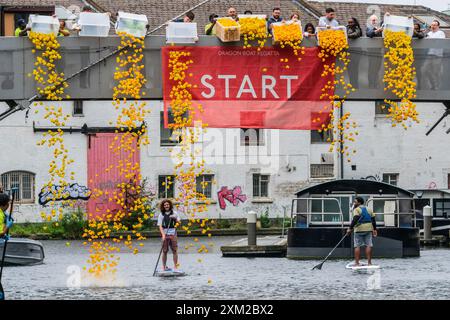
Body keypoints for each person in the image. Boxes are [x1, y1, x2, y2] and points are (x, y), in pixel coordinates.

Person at [346, 197, 377, 266]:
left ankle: (357, 263)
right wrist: (374, 229)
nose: (354, 203)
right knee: (369, 245)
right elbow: (373, 220)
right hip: (368, 229)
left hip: (358, 229)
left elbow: (355, 219)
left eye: (355, 202)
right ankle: (369, 263)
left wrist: (350, 228)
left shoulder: (356, 210)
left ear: (359, 203)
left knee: (357, 246)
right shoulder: (369, 209)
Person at [157, 199, 181, 271]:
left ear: (170, 205)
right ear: (163, 206)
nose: (166, 206)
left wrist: (175, 218)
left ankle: (175, 267)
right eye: (165, 205)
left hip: (173, 233)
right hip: (165, 233)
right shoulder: (161, 214)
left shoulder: (175, 213)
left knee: (174, 250)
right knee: (164, 251)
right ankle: (164, 267)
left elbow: (179, 223)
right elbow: (160, 226)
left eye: (167, 205)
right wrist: (163, 235)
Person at [423, 20, 446, 90]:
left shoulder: (441, 33)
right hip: (429, 55)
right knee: (425, 70)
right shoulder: (429, 33)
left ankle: (437, 87)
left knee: (436, 72)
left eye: (435, 25)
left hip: (437, 55)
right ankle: (434, 85)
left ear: (438, 26)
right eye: (432, 25)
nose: (433, 26)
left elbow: (439, 42)